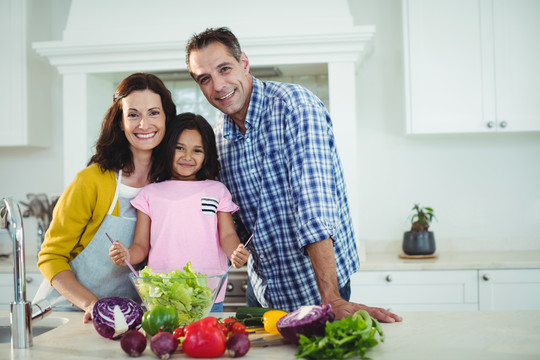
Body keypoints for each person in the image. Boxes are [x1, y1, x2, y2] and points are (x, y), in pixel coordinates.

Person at [185, 27, 402, 322]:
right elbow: (229, 220)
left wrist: (332, 298)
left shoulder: (295, 107)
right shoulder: (220, 138)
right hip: (264, 291)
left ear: (244, 63)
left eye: (224, 69)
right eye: (205, 79)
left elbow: (314, 207)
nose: (218, 85)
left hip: (320, 288)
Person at [35, 72, 177, 323]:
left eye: (154, 113)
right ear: (120, 122)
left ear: (166, 118)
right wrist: (93, 305)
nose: (144, 124)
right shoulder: (92, 180)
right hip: (67, 312)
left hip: (123, 316)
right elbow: (51, 257)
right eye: (133, 114)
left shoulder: (167, 185)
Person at [108, 112, 250, 312]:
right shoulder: (150, 194)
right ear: (168, 148)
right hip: (161, 294)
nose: (188, 157)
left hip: (207, 294)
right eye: (180, 148)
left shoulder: (217, 190)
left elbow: (227, 234)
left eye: (197, 150)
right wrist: (127, 255)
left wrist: (236, 252)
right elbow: (141, 245)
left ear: (207, 154)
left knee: (205, 343)